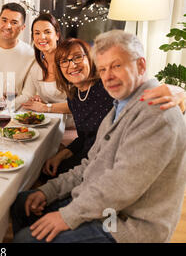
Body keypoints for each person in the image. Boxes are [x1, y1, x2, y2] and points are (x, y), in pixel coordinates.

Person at [11, 30, 186, 243]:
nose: (108, 76)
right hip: (102, 204)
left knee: (25, 239)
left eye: (116, 65)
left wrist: (67, 216)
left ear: (141, 65)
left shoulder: (156, 112)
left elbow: (121, 187)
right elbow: (89, 164)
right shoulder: (118, 107)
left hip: (124, 223)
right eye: (103, 69)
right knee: (23, 204)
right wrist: (48, 191)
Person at [41, 38, 185, 180]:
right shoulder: (74, 96)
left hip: (112, 164)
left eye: (77, 57)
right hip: (89, 157)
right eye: (64, 61)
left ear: (90, 59)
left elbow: (152, 92)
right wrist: (61, 155)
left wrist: (179, 93)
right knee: (45, 172)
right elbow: (85, 137)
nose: (72, 65)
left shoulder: (109, 87)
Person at [17, 13, 70, 114]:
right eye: (37, 33)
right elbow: (28, 95)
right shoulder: (36, 68)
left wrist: (45, 107)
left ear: (57, 35)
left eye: (47, 32)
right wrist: (38, 100)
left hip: (72, 125)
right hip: (50, 122)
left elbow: (81, 103)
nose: (42, 37)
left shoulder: (69, 62)